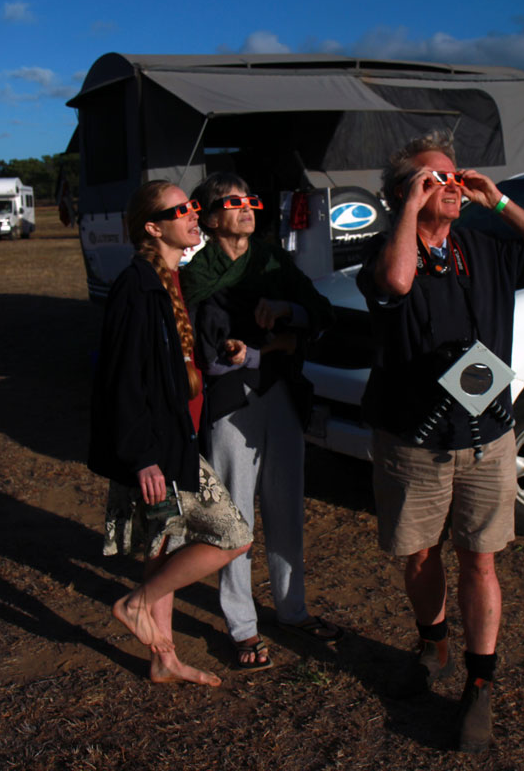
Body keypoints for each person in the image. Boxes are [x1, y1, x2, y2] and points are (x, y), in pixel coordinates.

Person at [356, 131, 524, 752]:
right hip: (413, 439)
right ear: (404, 194)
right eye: (434, 178)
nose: (450, 185)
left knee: (479, 557)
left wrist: (499, 202)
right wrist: (406, 211)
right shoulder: (386, 252)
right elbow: (397, 284)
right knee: (420, 554)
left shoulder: (484, 247)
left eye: (454, 177)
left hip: (486, 436)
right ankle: (434, 645)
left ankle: (480, 681)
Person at [88, 180, 254, 687]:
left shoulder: (169, 278)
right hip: (157, 452)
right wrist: (142, 457)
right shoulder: (136, 288)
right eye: (179, 209)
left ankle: (163, 657)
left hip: (170, 441)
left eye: (192, 206)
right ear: (153, 227)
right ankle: (136, 604)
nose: (191, 213)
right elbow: (120, 381)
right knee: (233, 536)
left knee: (163, 546)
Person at [181, 171, 340, 671]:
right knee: (236, 518)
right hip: (232, 402)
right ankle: (242, 627)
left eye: (249, 199)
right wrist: (275, 344)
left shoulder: (272, 257)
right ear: (207, 218)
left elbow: (320, 311)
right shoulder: (197, 273)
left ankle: (293, 610)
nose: (246, 208)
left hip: (282, 394)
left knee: (286, 506)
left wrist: (287, 307)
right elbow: (211, 348)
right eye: (231, 202)